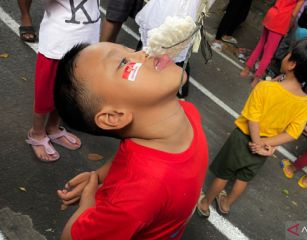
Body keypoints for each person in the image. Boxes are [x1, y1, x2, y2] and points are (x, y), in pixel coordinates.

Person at [54, 43, 208, 239]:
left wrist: (99, 176)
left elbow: (128, 154)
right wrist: (87, 206)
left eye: (130, 49)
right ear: (114, 116)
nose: (146, 52)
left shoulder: (187, 112)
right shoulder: (136, 196)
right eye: (123, 62)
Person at [196, 39, 307, 217]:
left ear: (292, 64)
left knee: (224, 174)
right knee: (243, 178)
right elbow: (292, 133)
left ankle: (205, 203)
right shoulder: (306, 103)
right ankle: (226, 204)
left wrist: (256, 142)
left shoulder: (265, 87)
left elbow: (253, 118)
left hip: (243, 139)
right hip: (267, 147)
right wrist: (263, 144)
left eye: (289, 54)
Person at [25, 0, 101, 161]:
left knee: (68, 91)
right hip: (58, 44)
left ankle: (53, 127)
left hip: (86, 40)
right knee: (45, 94)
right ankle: (37, 133)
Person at [135, 0, 205, 98]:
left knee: (174, 47)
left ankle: (165, 90)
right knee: (153, 41)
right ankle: (141, 81)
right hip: (169, 8)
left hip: (185, 10)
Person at [240, 0, 305, 88]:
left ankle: (245, 70)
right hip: (282, 19)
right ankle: (255, 80)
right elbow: (294, 14)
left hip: (272, 13)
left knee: (260, 45)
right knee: (269, 53)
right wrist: (288, 27)